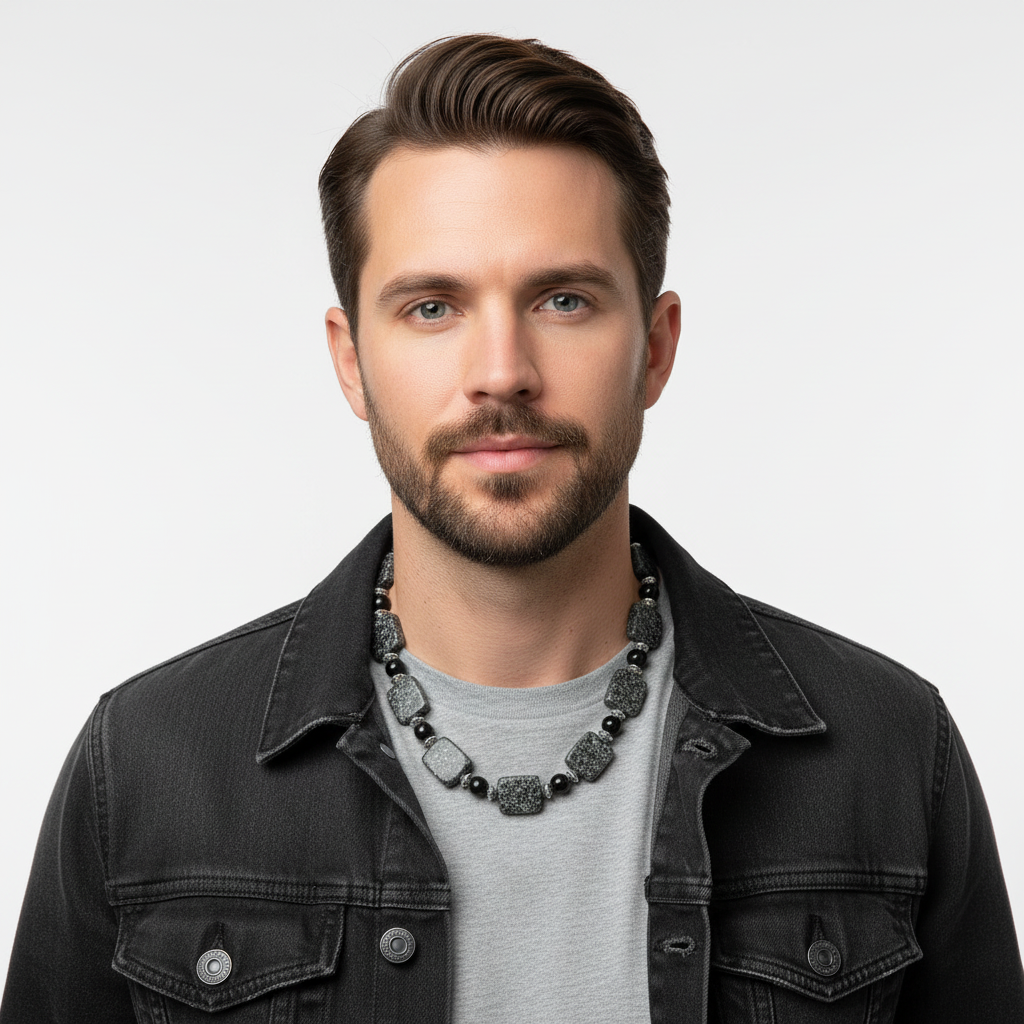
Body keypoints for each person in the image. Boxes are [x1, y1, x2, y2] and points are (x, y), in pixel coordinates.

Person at [2, 33, 1021, 1024]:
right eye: (433, 306)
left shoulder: (887, 752)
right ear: (350, 359)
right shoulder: (144, 765)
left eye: (564, 299)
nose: (502, 369)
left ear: (655, 348)